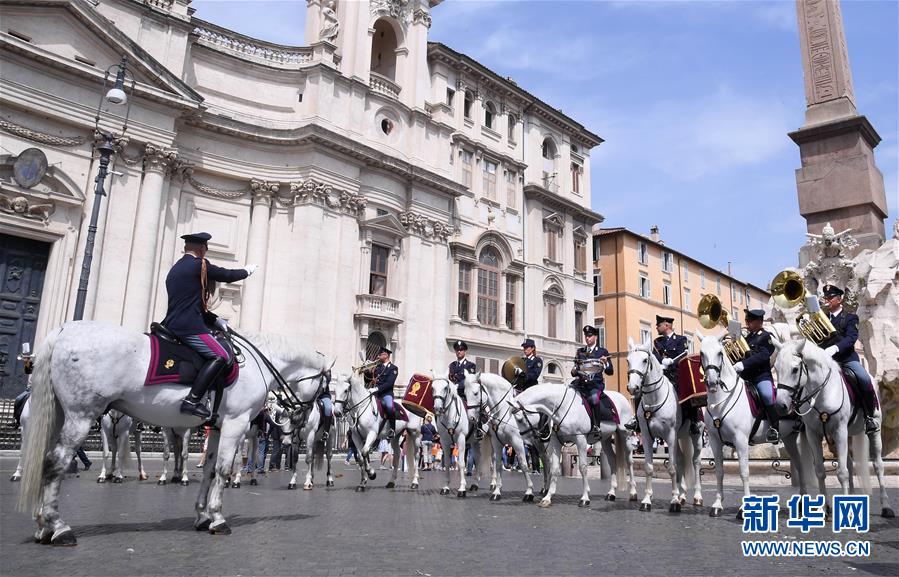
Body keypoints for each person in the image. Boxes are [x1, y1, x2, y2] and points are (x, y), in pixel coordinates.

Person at [161, 232, 257, 420]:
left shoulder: (175, 269)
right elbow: (226, 275)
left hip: (173, 322)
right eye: (205, 249)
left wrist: (215, 320)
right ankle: (193, 400)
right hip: (188, 327)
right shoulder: (199, 265)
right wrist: (245, 271)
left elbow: (189, 304)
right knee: (221, 355)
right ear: (201, 249)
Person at [818, 285, 879, 434]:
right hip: (827, 361)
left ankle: (869, 416)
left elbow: (851, 338)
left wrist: (835, 348)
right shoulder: (822, 319)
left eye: (830, 297)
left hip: (846, 360)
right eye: (826, 297)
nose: (827, 300)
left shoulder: (851, 317)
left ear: (839, 299)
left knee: (864, 378)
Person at [625, 315, 698, 434]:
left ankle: (693, 421)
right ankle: (637, 420)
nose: (656, 327)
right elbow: (654, 359)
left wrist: (671, 362)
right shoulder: (657, 342)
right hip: (659, 375)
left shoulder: (681, 339)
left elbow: (683, 357)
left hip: (675, 375)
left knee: (685, 391)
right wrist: (661, 364)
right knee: (641, 390)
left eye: (658, 325)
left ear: (667, 325)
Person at [733, 309, 780, 444]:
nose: (747, 323)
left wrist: (744, 363)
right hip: (745, 377)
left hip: (760, 376)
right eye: (747, 320)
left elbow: (764, 355)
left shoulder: (766, 336)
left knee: (766, 395)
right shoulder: (745, 338)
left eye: (749, 321)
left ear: (759, 322)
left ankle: (774, 429)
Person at [572, 325, 614, 436]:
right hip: (581, 384)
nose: (587, 338)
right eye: (586, 336)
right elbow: (574, 370)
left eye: (589, 336)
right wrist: (575, 370)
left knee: (594, 399)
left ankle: (596, 426)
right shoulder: (580, 351)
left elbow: (610, 371)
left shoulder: (602, 351)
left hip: (595, 385)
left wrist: (606, 362)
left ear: (595, 337)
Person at [370, 346, 399, 438]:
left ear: (386, 355)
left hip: (386, 394)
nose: (378, 356)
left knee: (390, 407)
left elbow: (389, 384)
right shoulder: (377, 367)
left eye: (380, 355)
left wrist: (377, 389)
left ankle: (392, 429)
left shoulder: (393, 368)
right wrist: (367, 370)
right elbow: (368, 380)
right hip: (376, 394)